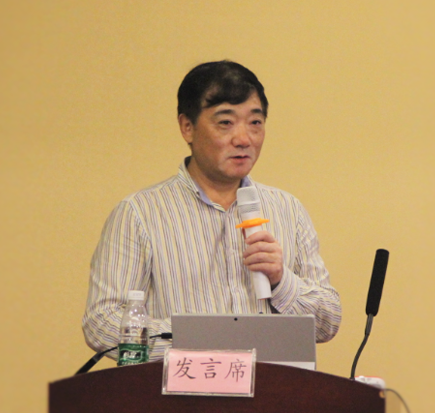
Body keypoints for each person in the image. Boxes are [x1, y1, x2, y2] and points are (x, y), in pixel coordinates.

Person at [82, 60, 341, 360]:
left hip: (272, 388)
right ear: (187, 127)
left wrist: (282, 281)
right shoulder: (139, 214)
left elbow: (327, 322)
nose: (243, 139)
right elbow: (102, 322)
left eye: (255, 123)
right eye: (225, 122)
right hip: (184, 387)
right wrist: (200, 343)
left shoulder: (288, 210)